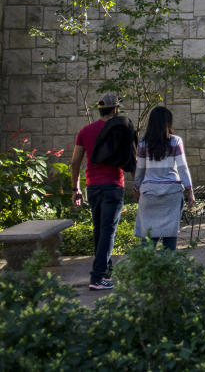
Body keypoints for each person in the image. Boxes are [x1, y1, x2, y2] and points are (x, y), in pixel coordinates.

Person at [70, 92, 130, 291]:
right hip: (113, 185)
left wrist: (75, 188)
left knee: (99, 231)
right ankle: (97, 277)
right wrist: (137, 184)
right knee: (108, 231)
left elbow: (75, 162)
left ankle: (105, 273)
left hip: (93, 187)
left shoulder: (85, 131)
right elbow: (131, 157)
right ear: (115, 109)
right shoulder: (119, 129)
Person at [133, 106, 194, 250]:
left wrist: (136, 188)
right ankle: (168, 270)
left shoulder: (143, 143)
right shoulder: (176, 141)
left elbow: (140, 170)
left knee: (148, 241)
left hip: (149, 194)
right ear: (168, 123)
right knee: (170, 238)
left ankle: (145, 271)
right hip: (171, 194)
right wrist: (189, 190)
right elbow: (182, 168)